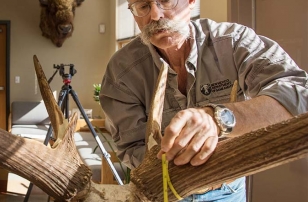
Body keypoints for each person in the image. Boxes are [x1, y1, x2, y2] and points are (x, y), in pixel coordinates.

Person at [100, 0, 308, 201]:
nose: (155, 15)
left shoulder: (233, 41)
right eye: (143, 6)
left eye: (165, 0)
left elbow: (299, 92)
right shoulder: (121, 71)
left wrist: (218, 119)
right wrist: (175, 169)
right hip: (163, 191)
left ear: (191, 1)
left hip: (227, 190)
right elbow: (130, 146)